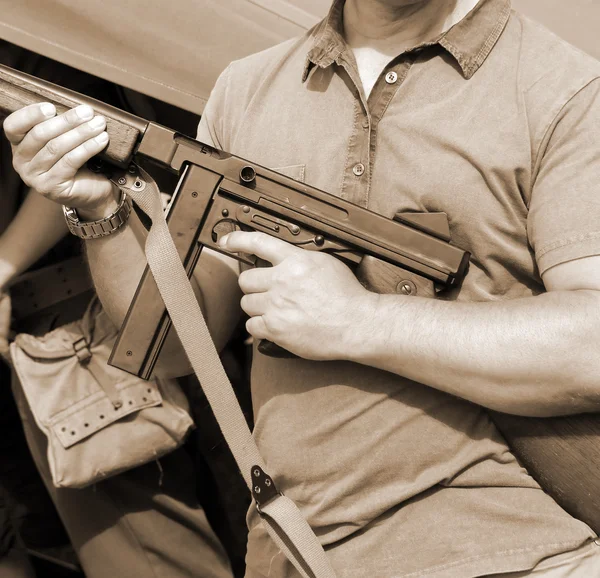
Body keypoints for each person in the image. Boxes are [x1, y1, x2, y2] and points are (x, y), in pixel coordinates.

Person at [5, 0, 600, 575]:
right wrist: (104, 211)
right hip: (293, 550)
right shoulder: (247, 86)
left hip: (515, 550)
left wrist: (359, 321)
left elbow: (591, 347)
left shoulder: (564, 89)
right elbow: (178, 348)